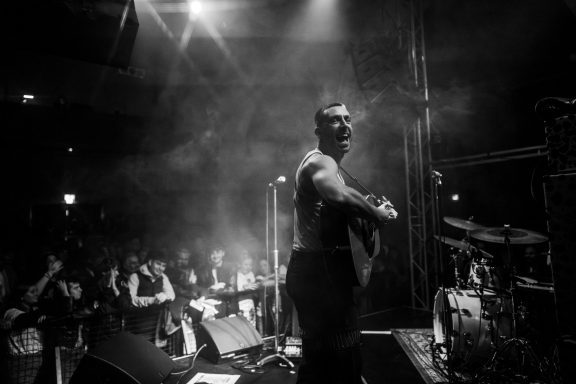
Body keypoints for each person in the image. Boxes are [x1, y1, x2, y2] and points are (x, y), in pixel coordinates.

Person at [286, 102, 398, 384]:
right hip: (316, 274)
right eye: (335, 120)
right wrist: (377, 214)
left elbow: (344, 209)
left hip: (320, 272)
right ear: (319, 130)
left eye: (347, 119)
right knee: (337, 356)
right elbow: (339, 197)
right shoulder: (319, 161)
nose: (345, 125)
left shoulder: (333, 167)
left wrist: (367, 215)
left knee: (324, 360)